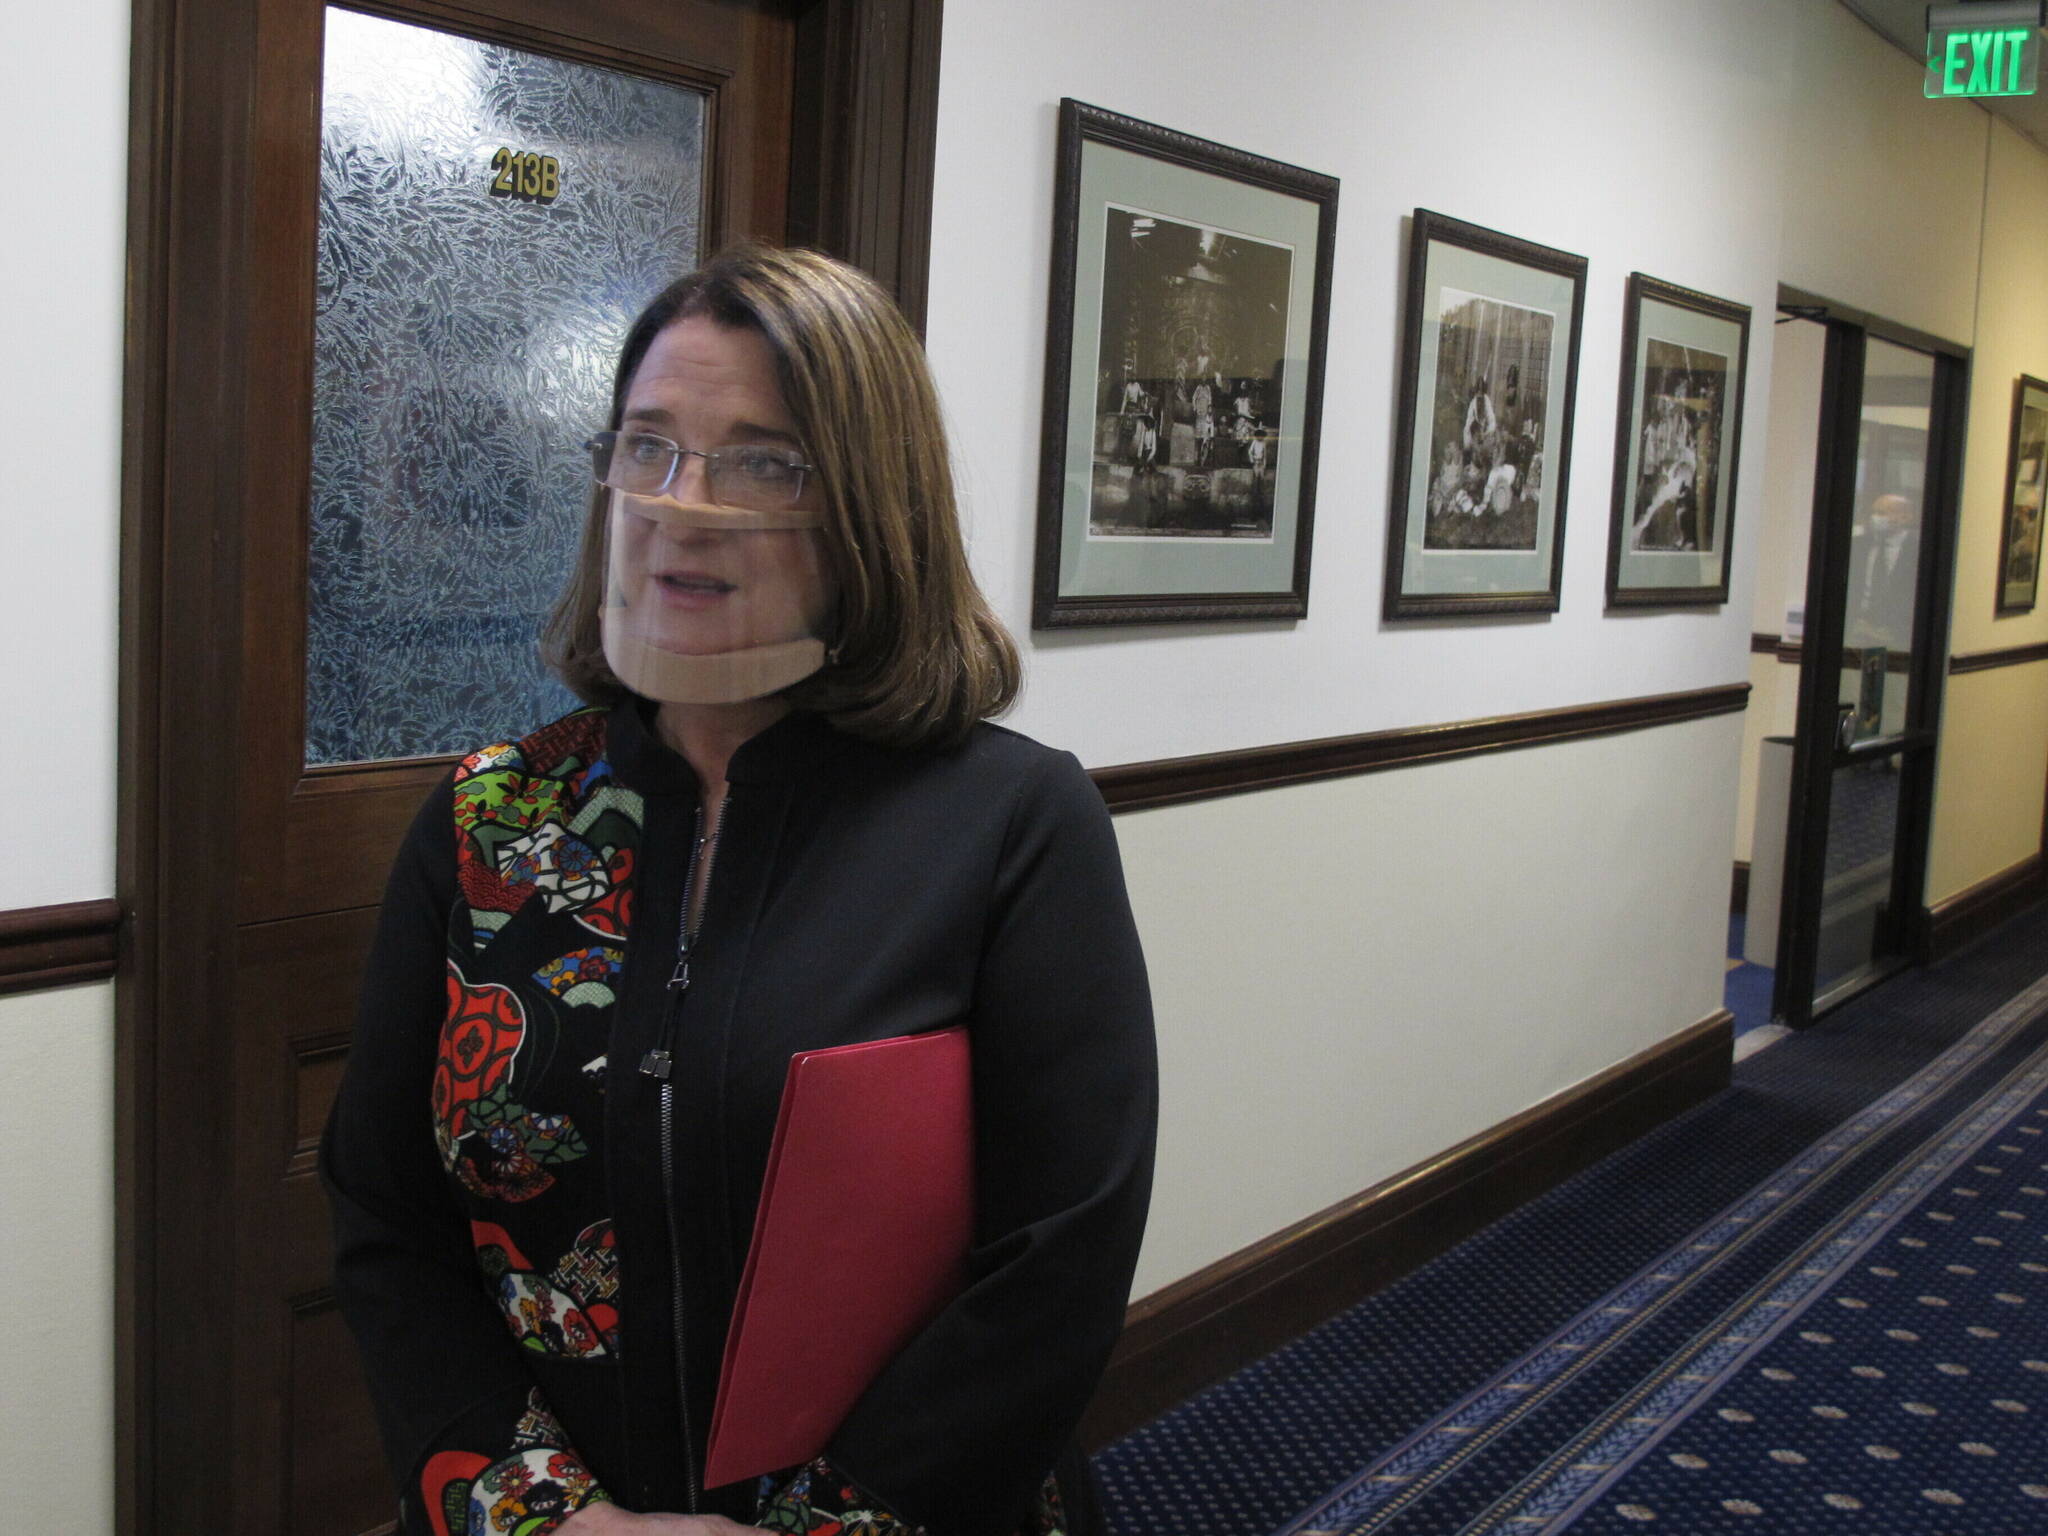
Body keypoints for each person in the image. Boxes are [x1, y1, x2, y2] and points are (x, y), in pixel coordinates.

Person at [322, 244, 1159, 1536]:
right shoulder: (486, 825)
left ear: (873, 508)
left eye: (763, 461)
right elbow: (388, 1213)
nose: (684, 503)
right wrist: (545, 1515)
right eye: (649, 447)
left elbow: (1061, 1256)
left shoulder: (1010, 828)